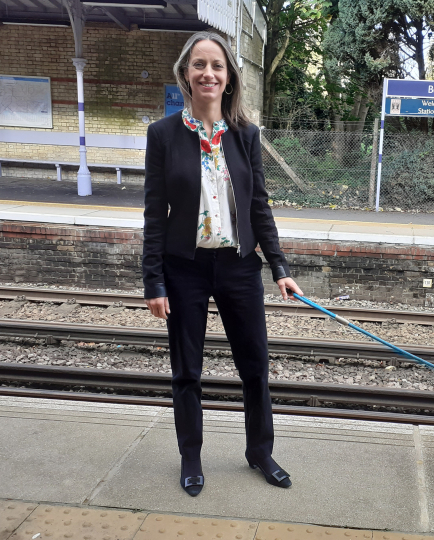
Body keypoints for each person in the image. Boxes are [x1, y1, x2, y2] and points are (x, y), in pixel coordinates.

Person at [142, 31, 303, 496]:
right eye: (199, 65)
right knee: (187, 371)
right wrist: (154, 280)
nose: (208, 73)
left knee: (254, 367)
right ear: (185, 75)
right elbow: (155, 214)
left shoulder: (245, 135)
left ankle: (260, 452)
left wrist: (280, 266)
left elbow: (260, 206)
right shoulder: (163, 135)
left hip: (238, 267)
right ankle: (190, 458)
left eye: (217, 65)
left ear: (229, 76)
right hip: (184, 269)